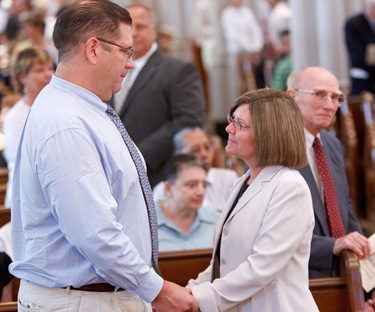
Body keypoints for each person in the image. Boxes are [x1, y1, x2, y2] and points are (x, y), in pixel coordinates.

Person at [9, 1, 198, 311]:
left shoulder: (84, 109)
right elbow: (95, 233)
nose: (130, 63)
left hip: (97, 296)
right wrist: (157, 290)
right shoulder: (65, 122)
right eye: (126, 51)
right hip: (81, 300)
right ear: (94, 49)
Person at [187, 88, 319, 311]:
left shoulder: (289, 187)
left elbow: (262, 267)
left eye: (239, 124)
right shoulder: (244, 181)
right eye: (232, 120)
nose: (228, 128)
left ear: (268, 134)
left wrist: (198, 298)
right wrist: (191, 290)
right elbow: (224, 262)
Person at [112, 3, 205, 188]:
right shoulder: (110, 70)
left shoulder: (178, 70)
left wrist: (137, 155)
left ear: (154, 31)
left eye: (140, 26)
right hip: (115, 175)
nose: (134, 33)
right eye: (128, 28)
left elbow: (189, 120)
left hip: (158, 176)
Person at [3, 46, 54, 208]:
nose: (49, 74)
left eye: (50, 68)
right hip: (26, 199)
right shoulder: (16, 117)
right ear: (22, 77)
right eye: (39, 70)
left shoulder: (54, 108)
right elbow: (21, 162)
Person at [153, 127, 239, 212]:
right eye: (195, 150)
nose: (204, 154)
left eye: (207, 147)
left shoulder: (229, 178)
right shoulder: (164, 190)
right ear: (178, 155)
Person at [157, 153, 220, 252]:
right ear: (168, 188)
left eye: (204, 185)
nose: (201, 192)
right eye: (192, 185)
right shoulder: (146, 225)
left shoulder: (217, 222)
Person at [220, 0, 264, 93]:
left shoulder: (247, 12)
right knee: (242, 83)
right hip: (238, 53)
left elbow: (255, 30)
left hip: (252, 53)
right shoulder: (227, 14)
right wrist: (251, 48)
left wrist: (257, 46)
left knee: (253, 81)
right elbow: (235, 35)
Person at [344, 0, 375, 95]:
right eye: (373, 8)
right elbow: (357, 54)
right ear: (365, 7)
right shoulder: (353, 24)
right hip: (362, 77)